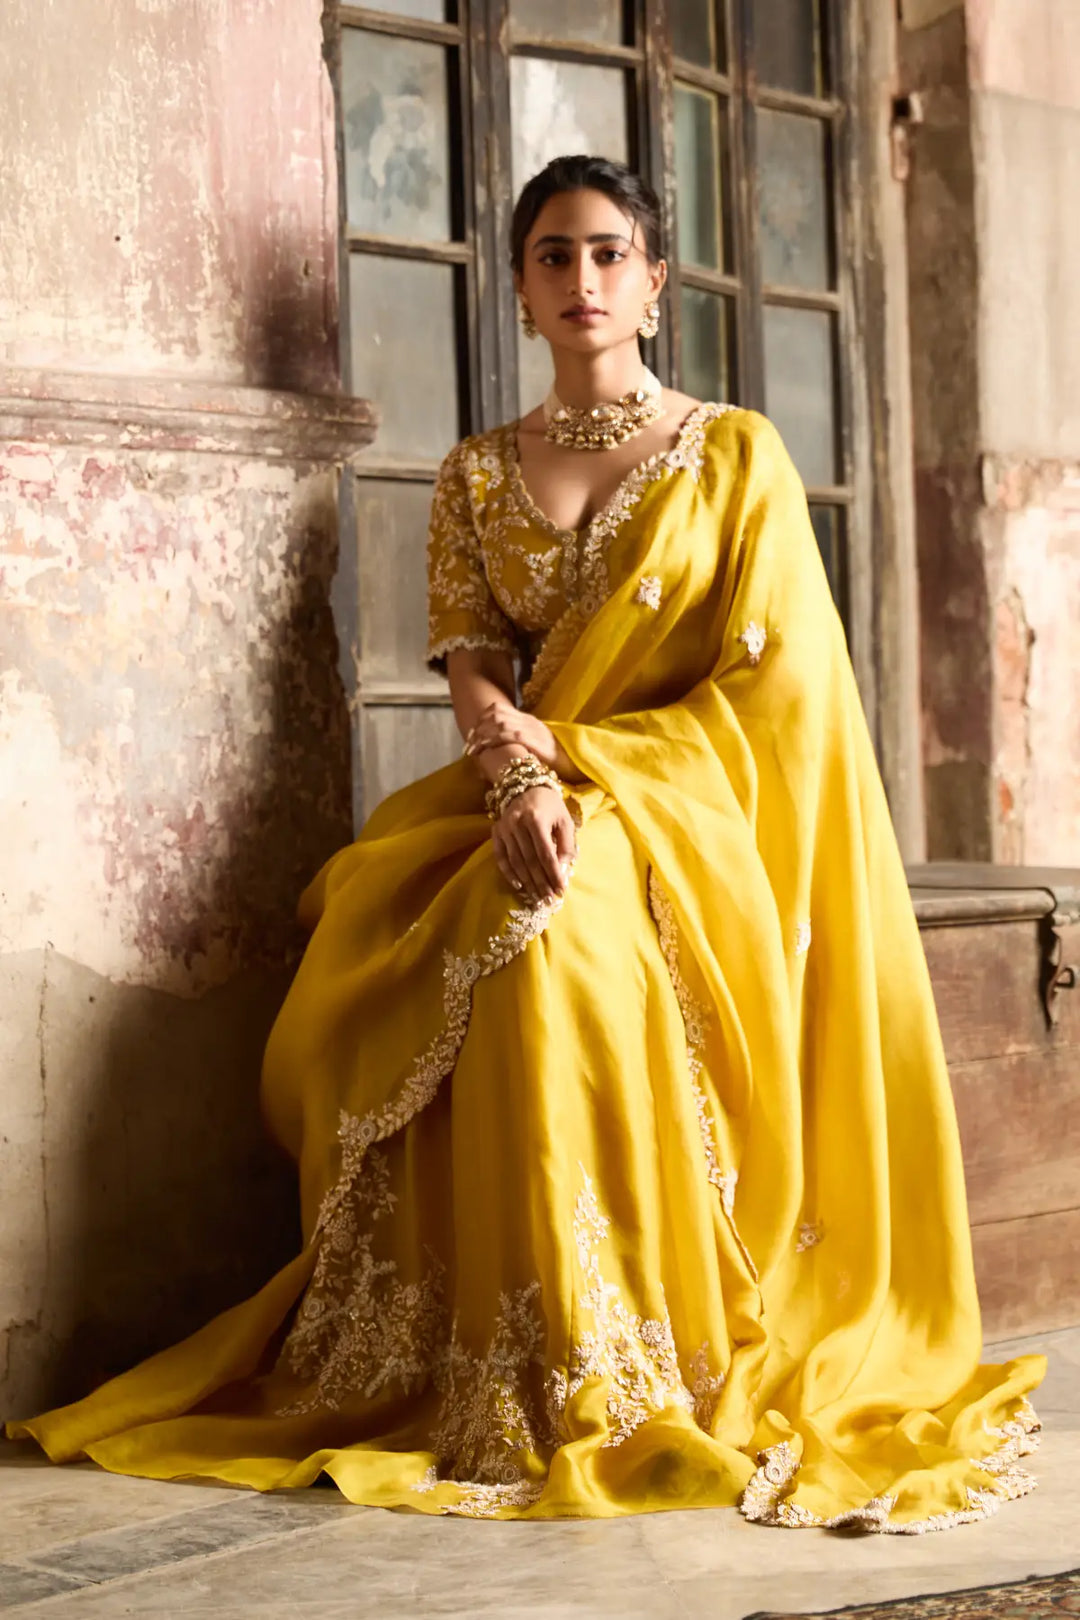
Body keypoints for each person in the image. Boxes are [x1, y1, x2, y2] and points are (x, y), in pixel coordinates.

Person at [6, 155, 1045, 1528]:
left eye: (609, 254)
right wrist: (514, 777)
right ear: (518, 285)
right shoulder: (476, 473)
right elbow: (475, 667)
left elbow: (777, 692)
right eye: (553, 255)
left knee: (548, 931)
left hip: (684, 806)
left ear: (656, 283)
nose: (582, 279)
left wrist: (585, 763)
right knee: (447, 915)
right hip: (517, 789)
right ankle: (492, 1360)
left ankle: (610, 1360)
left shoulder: (734, 456)